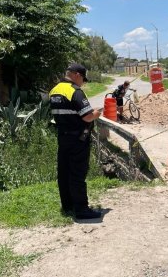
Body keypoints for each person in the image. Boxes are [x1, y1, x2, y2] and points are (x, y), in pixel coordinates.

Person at [49, 63, 102, 220]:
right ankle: (81, 209)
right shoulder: (75, 91)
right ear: (77, 75)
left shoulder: (54, 90)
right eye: (83, 79)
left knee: (64, 172)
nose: (83, 83)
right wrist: (97, 114)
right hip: (78, 139)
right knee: (77, 173)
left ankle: (68, 206)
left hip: (63, 137)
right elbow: (87, 116)